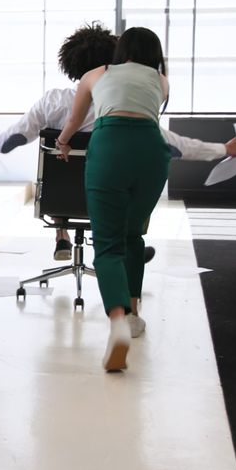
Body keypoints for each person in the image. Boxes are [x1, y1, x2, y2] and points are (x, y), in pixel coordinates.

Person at [0, 23, 236, 339]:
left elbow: (12, 140)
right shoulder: (135, 99)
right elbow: (174, 146)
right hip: (126, 187)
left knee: (81, 203)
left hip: (62, 199)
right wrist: (223, 149)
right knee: (129, 232)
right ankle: (129, 284)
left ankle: (63, 234)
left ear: (70, 64)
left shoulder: (53, 101)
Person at [55, 26, 173, 372]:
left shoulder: (94, 75)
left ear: (120, 49)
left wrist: (63, 143)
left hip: (109, 149)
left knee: (107, 245)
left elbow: (75, 120)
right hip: (152, 153)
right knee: (132, 234)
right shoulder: (162, 81)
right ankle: (135, 314)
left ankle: (118, 322)